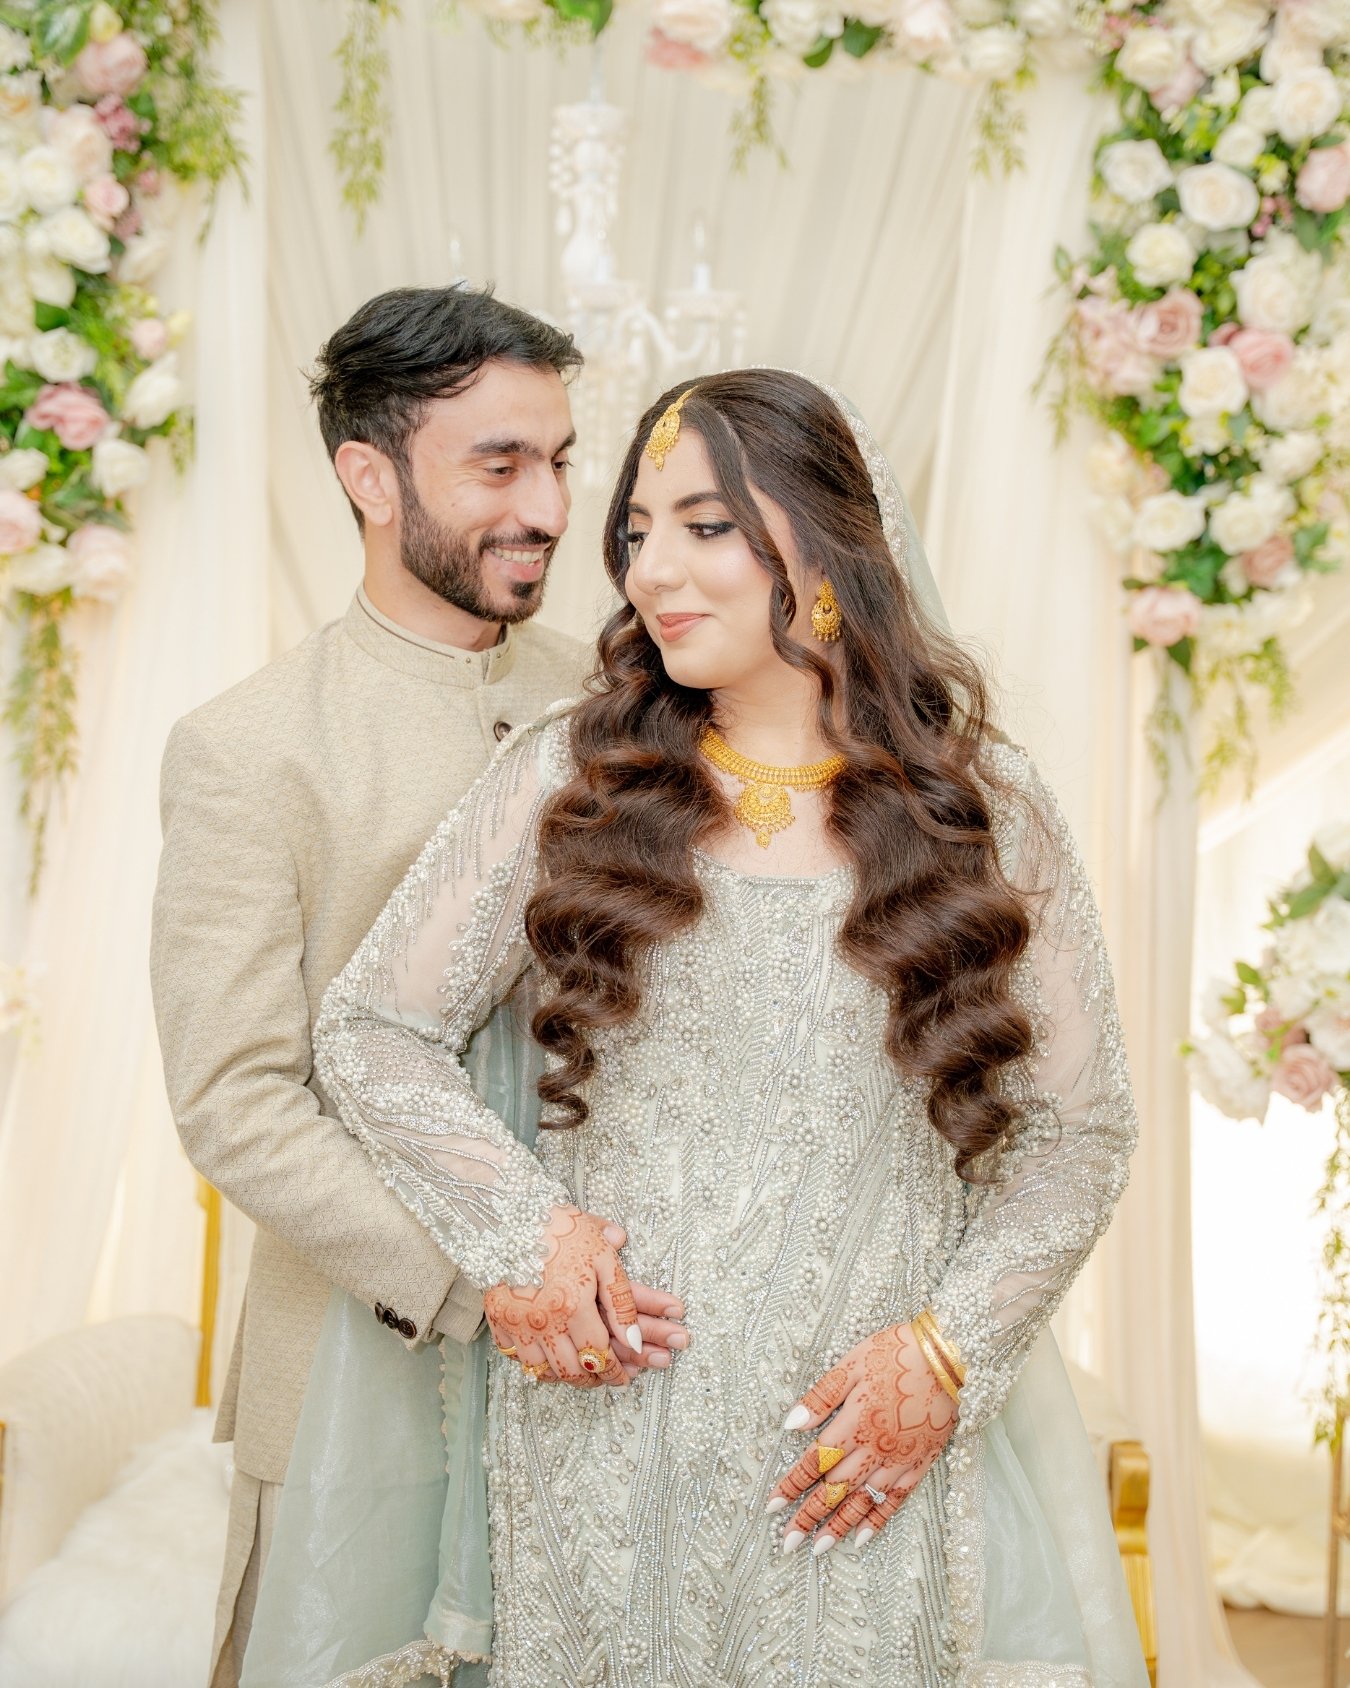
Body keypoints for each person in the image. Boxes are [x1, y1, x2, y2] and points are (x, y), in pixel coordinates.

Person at [256, 367, 1149, 1685]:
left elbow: (1079, 1133)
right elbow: (373, 1033)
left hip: (856, 1452)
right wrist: (526, 1235)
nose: (652, 569)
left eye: (704, 525)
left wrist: (945, 1351)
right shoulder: (576, 780)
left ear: (827, 540)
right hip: (606, 1445)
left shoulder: (983, 809)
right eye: (635, 532)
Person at [149, 285, 686, 1688]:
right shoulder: (247, 749)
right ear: (369, 477)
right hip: (363, 1355)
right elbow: (236, 1102)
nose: (550, 507)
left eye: (562, 460)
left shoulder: (624, 703)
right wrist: (476, 1279)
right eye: (497, 464)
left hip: (617, 1359)